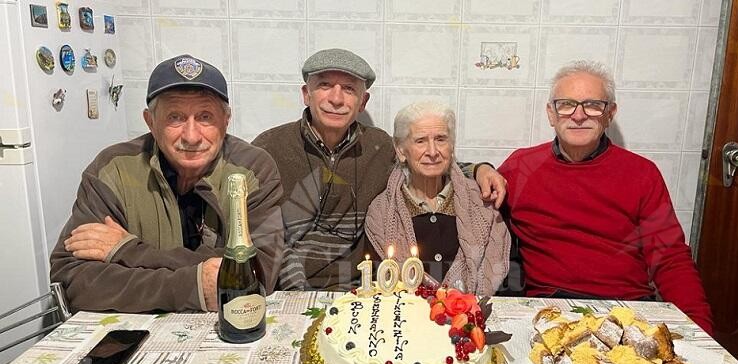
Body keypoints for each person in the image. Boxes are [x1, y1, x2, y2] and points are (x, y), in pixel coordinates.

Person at [252, 48, 507, 291]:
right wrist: (294, 290)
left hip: (357, 287)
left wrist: (477, 169)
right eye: (325, 85)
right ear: (306, 94)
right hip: (285, 287)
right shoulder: (268, 148)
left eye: (349, 89)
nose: (336, 98)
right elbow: (258, 234)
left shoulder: (379, 146)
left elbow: (424, 162)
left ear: (363, 101)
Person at [50, 54, 284, 313]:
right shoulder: (112, 169)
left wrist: (127, 250)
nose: (191, 136)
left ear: (226, 120)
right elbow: (71, 280)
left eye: (205, 117)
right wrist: (189, 287)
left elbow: (259, 273)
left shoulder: (253, 169)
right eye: (175, 117)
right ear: (150, 121)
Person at [498, 60, 714, 334]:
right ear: (551, 114)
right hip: (549, 310)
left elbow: (670, 258)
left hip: (627, 311)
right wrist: (479, 169)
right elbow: (468, 197)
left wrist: (699, 330)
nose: (578, 115)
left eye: (592, 105)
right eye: (566, 104)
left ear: (610, 113)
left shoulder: (641, 173)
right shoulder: (521, 167)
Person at [365, 101, 510, 296]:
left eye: (441, 139)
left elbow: (506, 279)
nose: (432, 152)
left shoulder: (482, 203)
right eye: (420, 141)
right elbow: (377, 286)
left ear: (452, 146)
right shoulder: (381, 212)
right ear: (401, 151)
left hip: (477, 318)